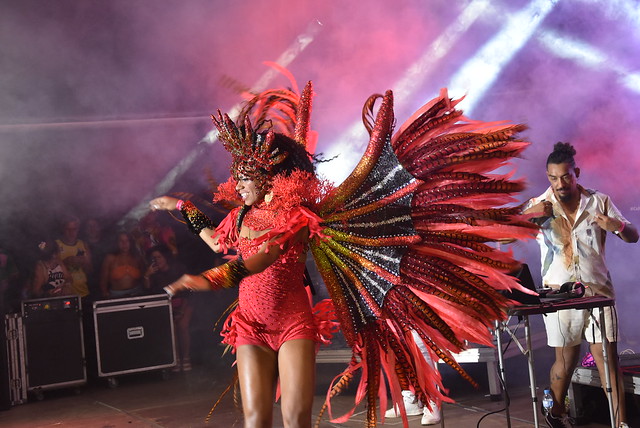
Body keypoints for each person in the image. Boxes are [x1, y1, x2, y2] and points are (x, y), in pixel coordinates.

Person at [150, 77, 534, 428]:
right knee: (255, 421)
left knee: (295, 421)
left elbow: (259, 260)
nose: (236, 184)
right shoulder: (239, 216)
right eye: (237, 176)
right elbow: (217, 242)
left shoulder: (296, 217)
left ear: (268, 177)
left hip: (293, 325)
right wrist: (182, 207)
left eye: (244, 177)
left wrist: (203, 280)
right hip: (250, 324)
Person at [523, 142, 638, 428]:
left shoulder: (599, 201)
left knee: (608, 361)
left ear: (577, 173)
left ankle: (621, 423)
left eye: (565, 176)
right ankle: (556, 412)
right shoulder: (539, 204)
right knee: (566, 360)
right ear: (548, 177)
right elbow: (503, 237)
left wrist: (617, 226)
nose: (560, 183)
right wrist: (528, 217)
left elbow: (633, 235)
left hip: (598, 293)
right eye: (553, 178)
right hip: (559, 297)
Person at [145, 244, 192, 372]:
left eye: (159, 257)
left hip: (185, 303)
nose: (156, 261)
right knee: (171, 328)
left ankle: (186, 358)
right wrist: (147, 276)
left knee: (182, 326)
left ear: (165, 257)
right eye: (154, 258)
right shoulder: (155, 274)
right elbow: (150, 292)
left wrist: (181, 311)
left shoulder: (178, 269)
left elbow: (187, 292)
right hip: (167, 306)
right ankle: (175, 359)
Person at [100, 231, 146, 299]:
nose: (124, 244)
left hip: (137, 292)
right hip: (116, 295)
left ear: (131, 243)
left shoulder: (137, 257)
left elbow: (144, 276)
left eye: (127, 241)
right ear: (116, 243)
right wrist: (105, 295)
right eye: (121, 241)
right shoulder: (110, 258)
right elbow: (103, 280)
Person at [56, 215, 92, 298]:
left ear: (78, 229)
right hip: (62, 294)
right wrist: (66, 262)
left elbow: (90, 270)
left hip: (83, 292)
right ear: (63, 229)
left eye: (74, 229)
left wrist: (84, 263)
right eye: (68, 229)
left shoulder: (83, 244)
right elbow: (48, 269)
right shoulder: (56, 245)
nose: (71, 233)